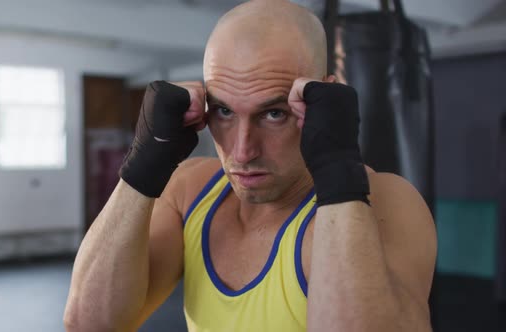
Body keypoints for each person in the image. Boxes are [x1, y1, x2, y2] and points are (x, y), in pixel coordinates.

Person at [63, 0, 437, 331]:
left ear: (324, 98)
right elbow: (90, 324)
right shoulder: (190, 191)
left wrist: (338, 170)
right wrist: (141, 168)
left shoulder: (386, 202)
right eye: (223, 110)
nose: (242, 152)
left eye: (274, 113)